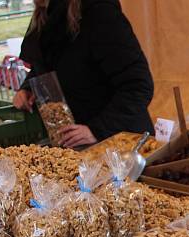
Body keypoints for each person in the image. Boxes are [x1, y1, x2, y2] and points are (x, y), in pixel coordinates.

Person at [14, 0, 154, 148]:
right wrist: (28, 87)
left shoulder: (100, 14)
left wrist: (96, 130)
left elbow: (138, 86)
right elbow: (51, 65)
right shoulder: (47, 16)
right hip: (80, 149)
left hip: (122, 144)